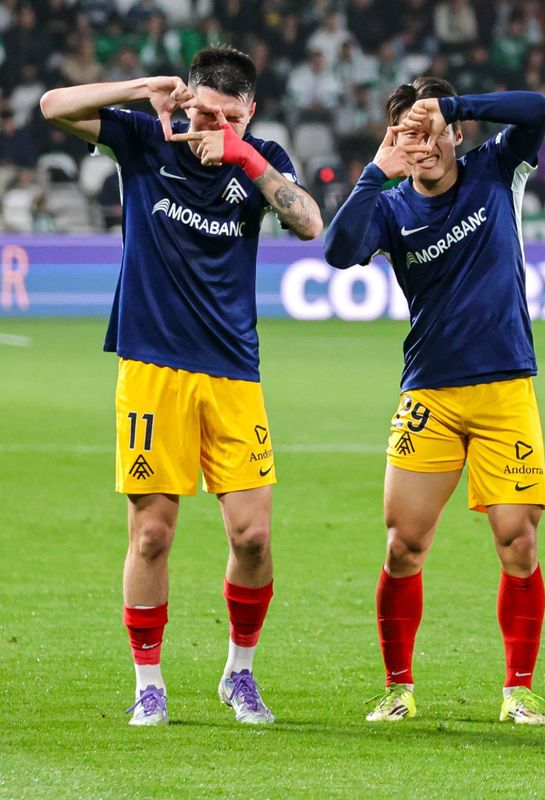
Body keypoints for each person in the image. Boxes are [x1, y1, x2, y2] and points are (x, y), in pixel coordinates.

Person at [40, 45, 323, 726]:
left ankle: (239, 674)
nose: (213, 129)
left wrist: (245, 157)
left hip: (233, 371)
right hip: (151, 366)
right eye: (205, 114)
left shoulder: (263, 158)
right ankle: (149, 683)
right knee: (151, 536)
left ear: (250, 114)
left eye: (230, 119)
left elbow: (310, 223)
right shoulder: (146, 141)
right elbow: (52, 106)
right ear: (187, 101)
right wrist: (143, 88)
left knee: (252, 537)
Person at [324, 77, 545, 725]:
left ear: (457, 133)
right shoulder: (392, 207)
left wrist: (451, 105)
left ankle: (519, 690)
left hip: (505, 388)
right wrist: (376, 170)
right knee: (403, 546)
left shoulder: (496, 169)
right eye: (408, 134)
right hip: (429, 392)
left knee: (518, 542)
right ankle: (397, 688)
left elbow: (536, 109)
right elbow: (339, 252)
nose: (422, 145)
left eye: (431, 131)